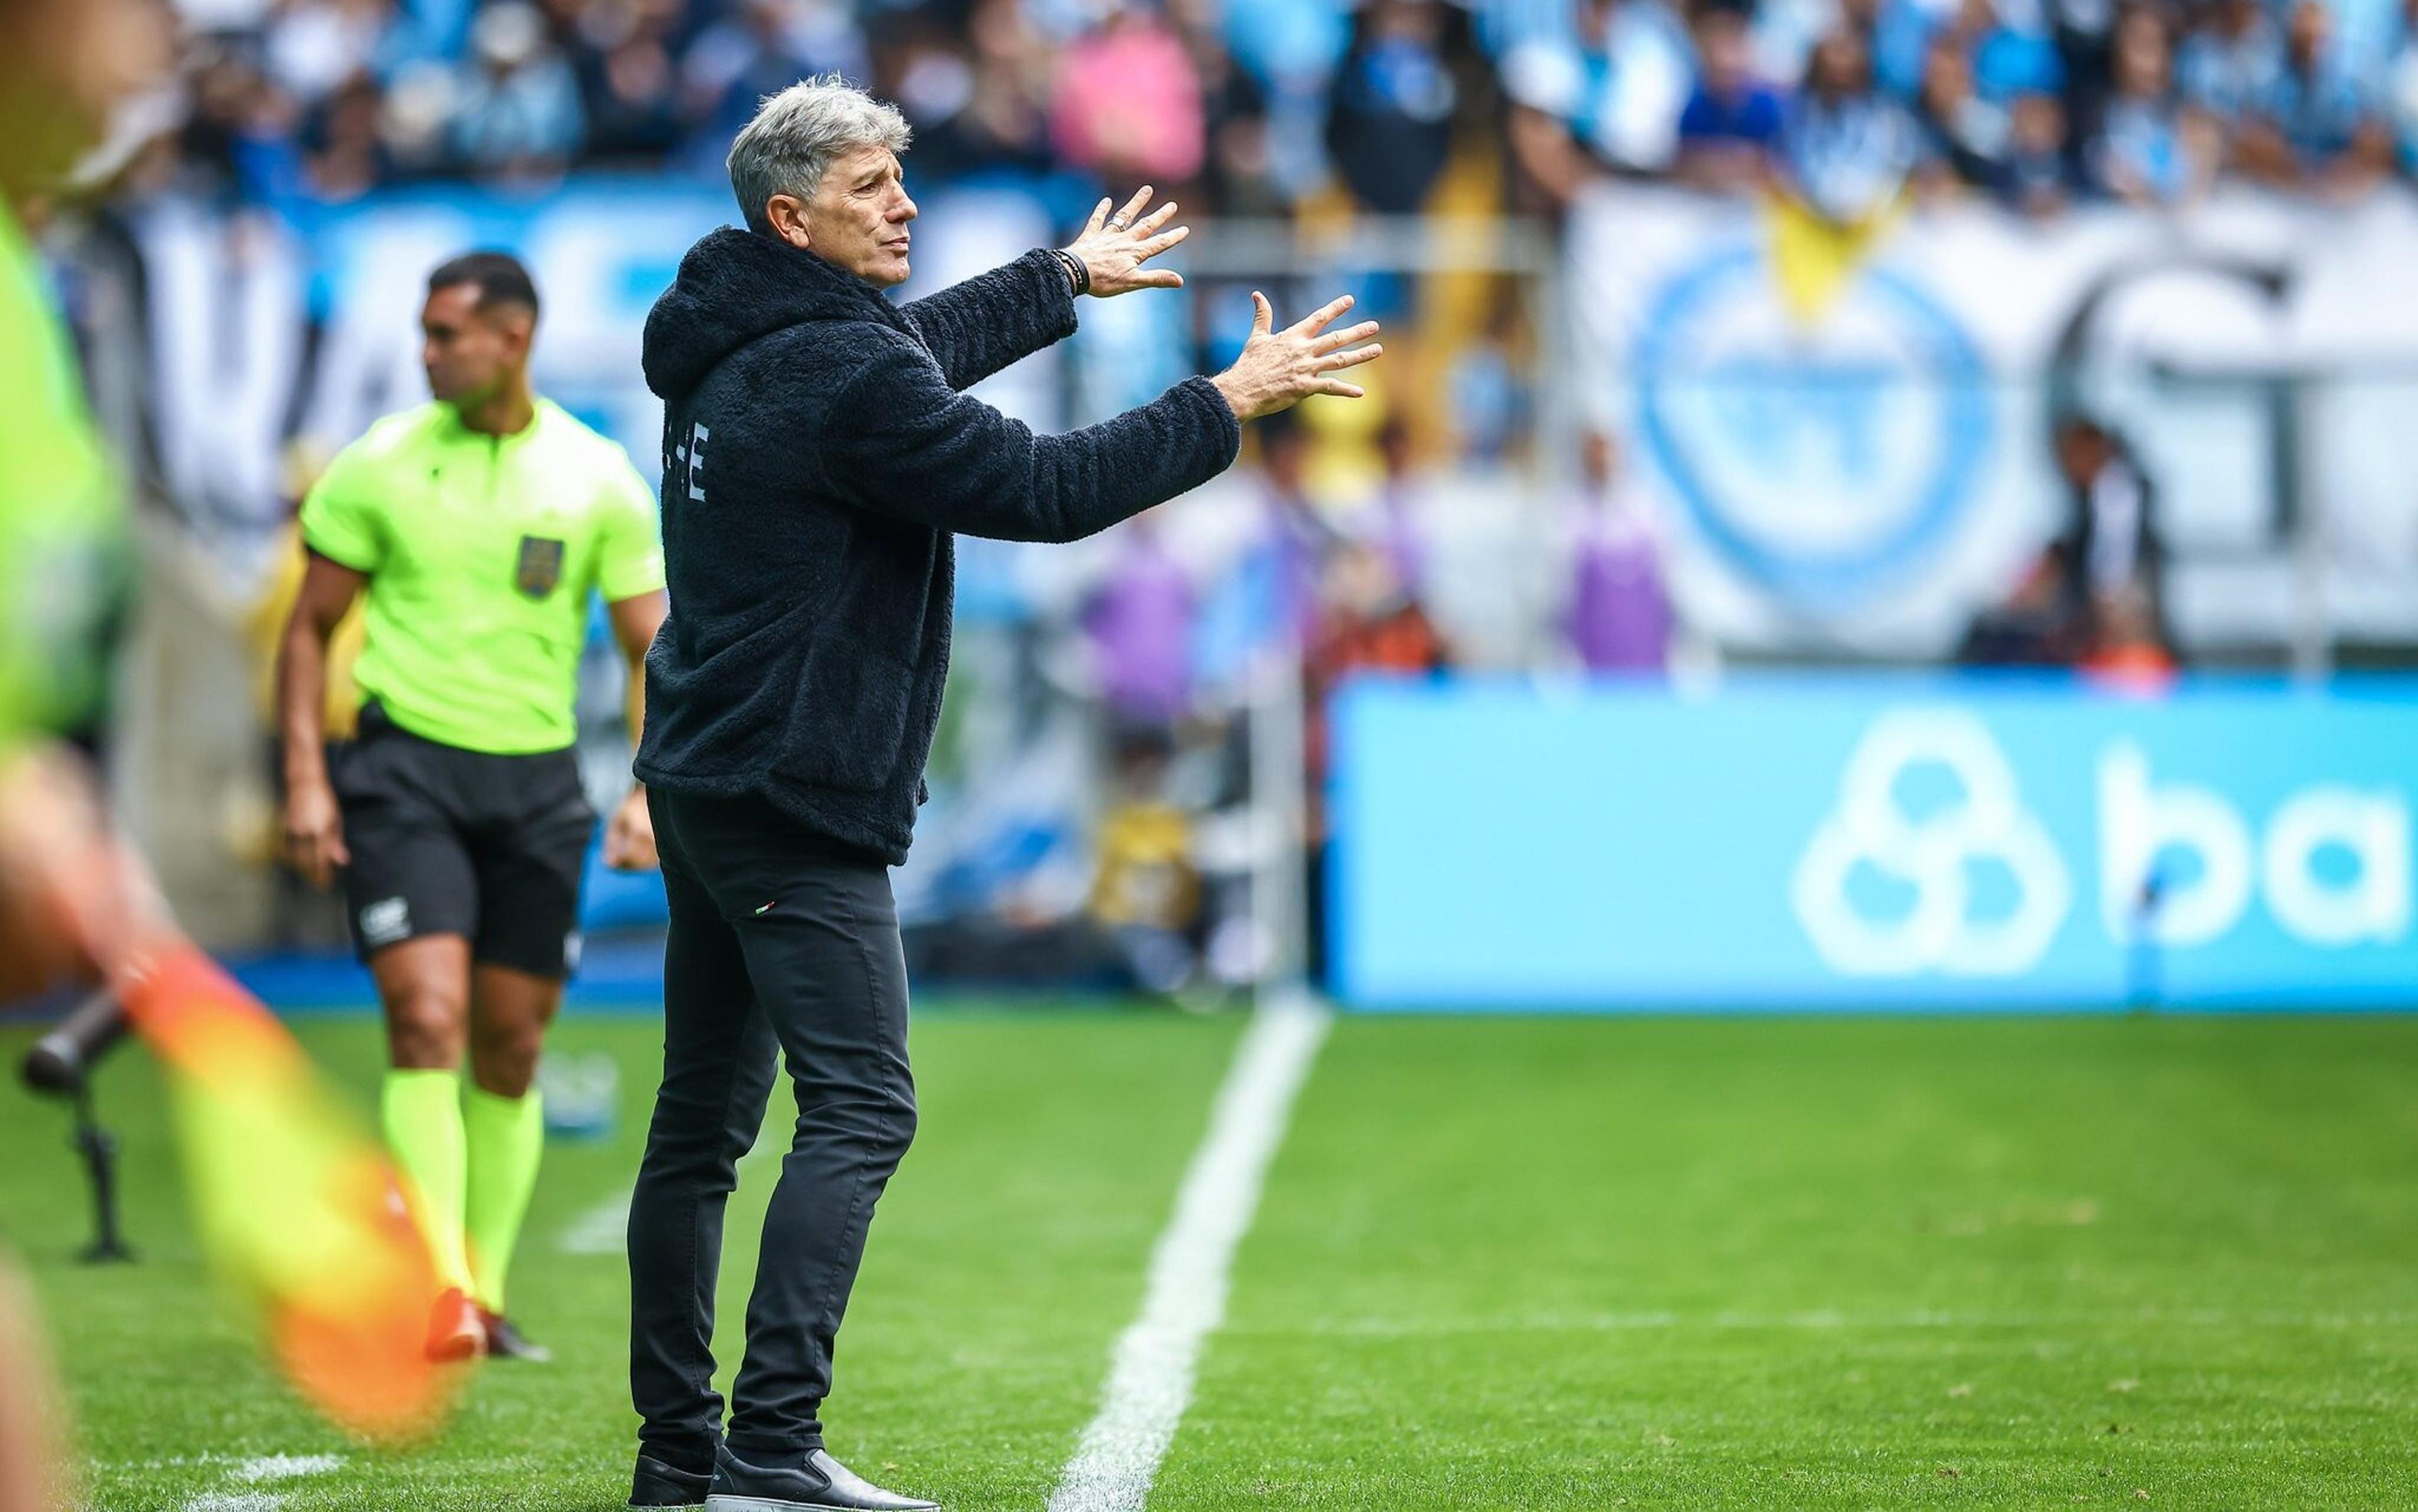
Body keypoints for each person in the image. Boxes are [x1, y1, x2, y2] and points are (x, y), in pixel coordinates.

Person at [625, 76, 1379, 1512]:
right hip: (796, 789)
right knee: (861, 1109)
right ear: (793, 218)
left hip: (710, 776)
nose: (903, 202)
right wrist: (1223, 402)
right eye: (870, 188)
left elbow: (902, 350)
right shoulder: (840, 373)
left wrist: (1060, 281)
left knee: (698, 1133)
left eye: (901, 179)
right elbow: (1041, 486)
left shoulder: (738, 336)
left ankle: (679, 1458)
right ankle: (770, 1451)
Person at [276, 249, 668, 1364]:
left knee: (509, 1046)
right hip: (402, 774)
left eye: (448, 333)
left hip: (538, 786)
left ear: (515, 338)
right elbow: (308, 630)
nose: (428, 352)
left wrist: (645, 788)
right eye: (426, 331)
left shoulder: (594, 477)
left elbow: (654, 648)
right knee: (428, 1020)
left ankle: (482, 1295)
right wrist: (309, 776)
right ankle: (442, 1286)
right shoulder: (378, 464)